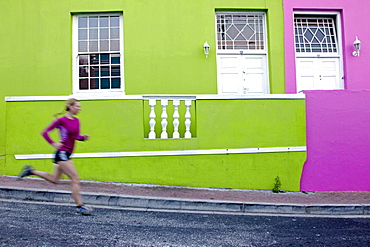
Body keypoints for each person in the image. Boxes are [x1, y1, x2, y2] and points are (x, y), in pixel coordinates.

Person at [19, 98, 92, 215]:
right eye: (77, 106)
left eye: (80, 107)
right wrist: (53, 143)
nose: (79, 109)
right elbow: (45, 132)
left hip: (67, 153)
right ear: (70, 107)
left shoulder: (77, 121)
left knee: (54, 180)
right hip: (62, 153)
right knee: (75, 178)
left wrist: (83, 138)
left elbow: (76, 136)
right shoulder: (61, 121)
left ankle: (31, 171)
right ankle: (80, 206)